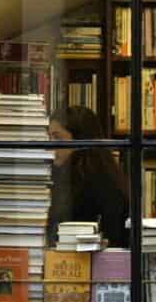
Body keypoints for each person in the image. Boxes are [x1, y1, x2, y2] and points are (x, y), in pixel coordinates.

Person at [47, 106, 129, 248]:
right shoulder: (107, 173)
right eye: (49, 137)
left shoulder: (89, 182)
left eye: (57, 137)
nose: (49, 145)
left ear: (79, 139)